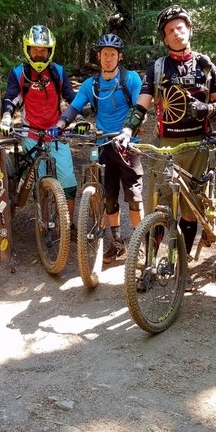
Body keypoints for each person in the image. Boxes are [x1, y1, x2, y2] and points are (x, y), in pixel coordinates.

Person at [116, 5, 216, 289]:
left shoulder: (206, 65)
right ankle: (150, 266)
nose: (176, 33)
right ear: (165, 39)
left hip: (197, 147)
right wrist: (128, 130)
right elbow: (142, 103)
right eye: (169, 31)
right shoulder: (157, 67)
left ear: (189, 29)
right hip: (165, 147)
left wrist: (208, 109)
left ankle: (180, 264)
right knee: (158, 209)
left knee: (190, 210)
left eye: (180, 27)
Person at [55, 33, 144, 263]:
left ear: (119, 57)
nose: (108, 59)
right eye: (104, 54)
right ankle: (117, 243)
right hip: (104, 144)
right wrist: (61, 124)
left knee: (134, 198)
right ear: (99, 56)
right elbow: (74, 107)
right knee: (109, 198)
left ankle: (140, 244)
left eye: (112, 54)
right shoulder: (91, 84)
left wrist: (128, 132)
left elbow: (138, 110)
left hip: (128, 145)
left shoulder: (131, 79)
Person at [0, 25, 78, 217]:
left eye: (43, 50)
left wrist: (80, 116)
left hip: (56, 133)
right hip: (31, 134)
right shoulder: (19, 74)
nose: (39, 54)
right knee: (40, 181)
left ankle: (69, 225)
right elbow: (12, 97)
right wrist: (7, 116)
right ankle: (43, 225)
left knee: (68, 181)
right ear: (28, 50)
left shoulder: (57, 72)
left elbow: (71, 98)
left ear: (49, 51)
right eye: (35, 49)